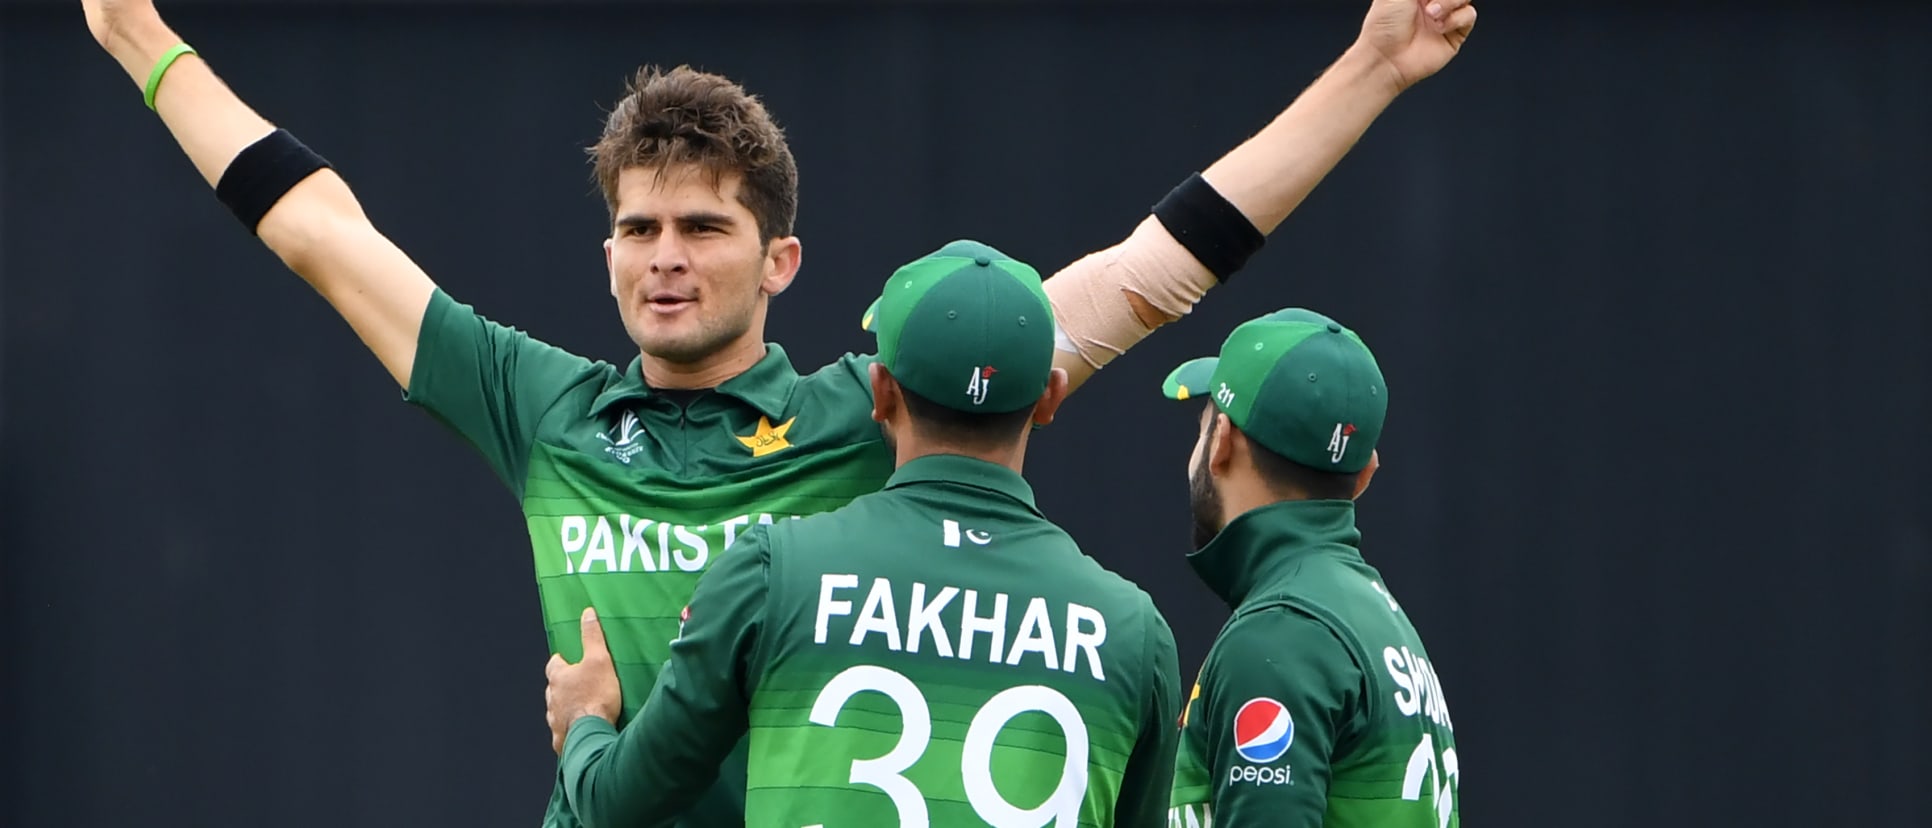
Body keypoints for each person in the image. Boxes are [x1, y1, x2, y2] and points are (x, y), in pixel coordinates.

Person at [76, 0, 1476, 823]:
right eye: (636, 228)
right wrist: (137, 34)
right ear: (605, 251)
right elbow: (321, 231)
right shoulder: (542, 405)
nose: (665, 255)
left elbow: (1156, 271)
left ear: (781, 259)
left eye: (702, 225)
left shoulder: (872, 411)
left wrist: (1376, 66)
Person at [543, 240, 1182, 828]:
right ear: (1049, 399)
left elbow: (614, 805)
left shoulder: (772, 572)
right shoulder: (1134, 631)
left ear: (879, 392)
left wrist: (585, 721)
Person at [1158, 309, 1459, 828]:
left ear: (1221, 441)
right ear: (1365, 475)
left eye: (1202, 428)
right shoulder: (1373, 617)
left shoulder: (1282, 634)